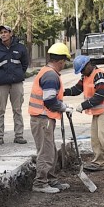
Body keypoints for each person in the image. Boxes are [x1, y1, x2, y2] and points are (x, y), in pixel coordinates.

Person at [64, 56, 104, 172]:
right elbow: (76, 89)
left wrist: (83, 105)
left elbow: (100, 96)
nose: (82, 72)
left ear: (88, 65)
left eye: (82, 70)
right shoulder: (86, 76)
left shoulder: (100, 76)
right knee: (95, 138)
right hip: (97, 111)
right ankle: (99, 162)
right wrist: (62, 92)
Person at [29, 42, 73, 194]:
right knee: (46, 152)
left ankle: (51, 179)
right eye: (64, 61)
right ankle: (40, 182)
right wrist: (64, 107)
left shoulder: (48, 72)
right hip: (42, 118)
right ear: (60, 60)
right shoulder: (50, 76)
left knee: (51, 150)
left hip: (44, 118)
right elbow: (49, 100)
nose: (64, 64)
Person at [0, 25, 30, 145]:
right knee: (0, 111)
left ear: (11, 33)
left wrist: (18, 74)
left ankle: (19, 135)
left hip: (16, 84)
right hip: (0, 84)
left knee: (17, 110)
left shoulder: (20, 48)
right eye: (1, 33)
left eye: (5, 32)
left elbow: (25, 64)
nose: (3, 34)